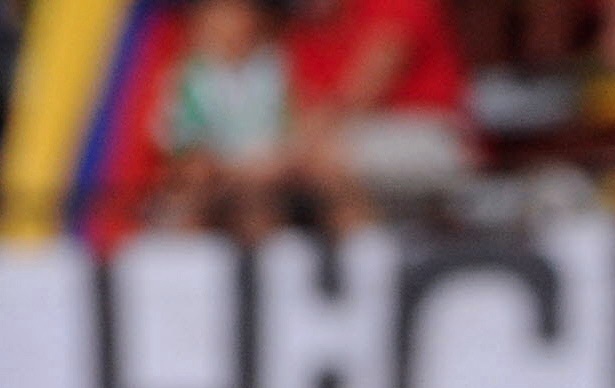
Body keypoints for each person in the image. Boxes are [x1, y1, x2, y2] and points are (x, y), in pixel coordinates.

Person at [284, 0, 473, 228]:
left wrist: (297, 148)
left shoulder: (394, 4)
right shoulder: (303, 26)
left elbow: (362, 94)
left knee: (326, 158)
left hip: (431, 131)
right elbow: (304, 106)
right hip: (352, 134)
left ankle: (367, 253)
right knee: (263, 167)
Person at [151, 0, 302, 241]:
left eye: (237, 13)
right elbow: (183, 146)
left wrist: (271, 163)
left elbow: (293, 129)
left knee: (260, 200)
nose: (230, 24)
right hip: (217, 177)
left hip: (269, 175)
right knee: (198, 185)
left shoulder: (273, 66)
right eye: (221, 14)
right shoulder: (187, 76)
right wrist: (230, 169)